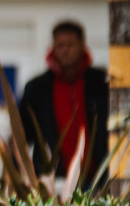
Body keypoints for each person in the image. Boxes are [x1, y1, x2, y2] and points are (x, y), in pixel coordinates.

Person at [18, 20, 109, 180]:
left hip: (98, 180)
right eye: (60, 45)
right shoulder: (37, 88)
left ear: (82, 46)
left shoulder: (101, 83)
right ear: (53, 48)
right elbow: (22, 135)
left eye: (70, 44)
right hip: (52, 181)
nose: (65, 50)